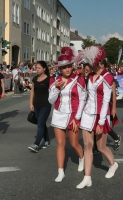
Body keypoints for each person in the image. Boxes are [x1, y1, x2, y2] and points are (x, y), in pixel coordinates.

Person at [76, 46, 118, 189]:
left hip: (101, 116)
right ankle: (87, 177)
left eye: (90, 63)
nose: (87, 66)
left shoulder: (108, 77)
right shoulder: (90, 77)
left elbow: (106, 100)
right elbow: (85, 97)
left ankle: (113, 164)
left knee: (100, 147)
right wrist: (78, 116)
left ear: (98, 63)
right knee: (88, 146)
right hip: (88, 114)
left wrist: (101, 122)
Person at [48, 47, 85, 182]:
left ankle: (82, 158)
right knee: (60, 144)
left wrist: (77, 117)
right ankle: (60, 171)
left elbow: (82, 99)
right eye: (64, 67)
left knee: (74, 144)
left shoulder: (79, 80)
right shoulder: (54, 80)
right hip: (59, 114)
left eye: (69, 66)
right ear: (60, 69)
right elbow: (51, 100)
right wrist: (57, 88)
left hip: (74, 115)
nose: (67, 69)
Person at [28, 61, 51, 153]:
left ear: (44, 69)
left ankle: (36, 144)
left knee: (40, 123)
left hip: (45, 105)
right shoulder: (35, 78)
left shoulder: (49, 79)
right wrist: (31, 103)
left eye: (39, 68)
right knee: (41, 123)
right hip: (36, 104)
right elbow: (32, 92)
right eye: (36, 68)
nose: (37, 70)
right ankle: (47, 140)